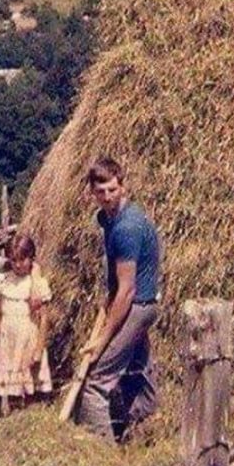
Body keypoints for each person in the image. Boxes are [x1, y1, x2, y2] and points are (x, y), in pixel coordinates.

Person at [75, 157, 162, 442]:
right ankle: (144, 433)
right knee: (139, 371)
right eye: (100, 192)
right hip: (143, 304)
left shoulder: (127, 228)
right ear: (92, 192)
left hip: (136, 306)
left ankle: (99, 450)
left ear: (123, 186)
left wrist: (102, 339)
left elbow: (126, 291)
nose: (107, 197)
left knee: (96, 383)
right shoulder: (110, 219)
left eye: (112, 190)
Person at [0, 234, 52, 415]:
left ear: (31, 257)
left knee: (30, 379)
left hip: (28, 339)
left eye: (22, 259)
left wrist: (39, 348)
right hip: (8, 340)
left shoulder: (37, 283)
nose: (18, 264)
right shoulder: (2, 280)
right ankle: (11, 413)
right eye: (13, 260)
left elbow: (44, 319)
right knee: (10, 380)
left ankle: (29, 414)